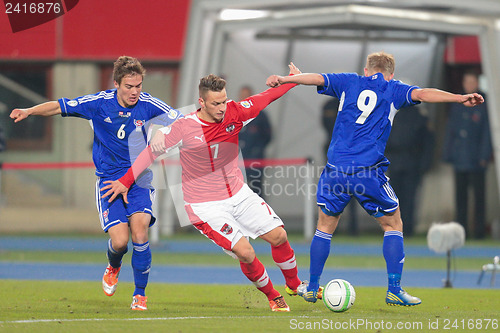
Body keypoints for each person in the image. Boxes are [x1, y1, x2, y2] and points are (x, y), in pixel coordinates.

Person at [266, 52, 484, 306]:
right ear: (391, 74)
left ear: (366, 70)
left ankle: (313, 287)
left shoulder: (349, 81)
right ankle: (394, 289)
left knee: (324, 227)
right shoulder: (393, 89)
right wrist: (459, 98)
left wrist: (287, 78)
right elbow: (423, 94)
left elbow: (317, 78)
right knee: (393, 224)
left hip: (335, 169)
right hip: (367, 171)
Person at [101, 64, 305, 312]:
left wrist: (295, 79)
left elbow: (267, 97)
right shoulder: (185, 127)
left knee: (279, 236)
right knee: (246, 252)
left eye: (224, 101)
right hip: (205, 206)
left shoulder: (235, 112)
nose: (222, 107)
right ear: (202, 102)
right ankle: (273, 296)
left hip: (239, 194)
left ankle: (295, 285)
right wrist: (125, 181)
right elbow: (149, 153)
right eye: (216, 103)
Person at [10, 56, 182, 310]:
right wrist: (29, 110)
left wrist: (165, 133)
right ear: (116, 84)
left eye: (138, 86)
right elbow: (59, 106)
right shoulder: (99, 103)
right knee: (121, 242)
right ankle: (113, 265)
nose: (135, 92)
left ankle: (140, 294)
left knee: (140, 232)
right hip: (109, 182)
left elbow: (181, 121)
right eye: (129, 86)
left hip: (138, 179)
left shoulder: (148, 104)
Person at [443, 71, 492, 239]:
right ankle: (460, 232)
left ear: (477, 83)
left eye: (472, 81)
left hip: (477, 159)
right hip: (460, 158)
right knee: (460, 198)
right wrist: (448, 154)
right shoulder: (457, 102)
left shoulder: (484, 103)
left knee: (479, 198)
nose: (469, 84)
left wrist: (484, 156)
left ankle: (479, 232)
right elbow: (450, 130)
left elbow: (487, 132)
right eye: (467, 81)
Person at [385, 104, 434, 236]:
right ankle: (395, 227)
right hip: (396, 160)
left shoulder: (419, 117)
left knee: (409, 197)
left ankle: (406, 228)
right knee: (395, 198)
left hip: (412, 161)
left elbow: (427, 143)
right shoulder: (394, 115)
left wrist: (424, 164)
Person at [238, 85, 272, 197]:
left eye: (246, 96)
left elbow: (268, 136)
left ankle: (261, 213)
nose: (244, 99)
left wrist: (257, 150)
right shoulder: (234, 115)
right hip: (237, 160)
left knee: (256, 188)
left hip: (254, 160)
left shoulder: (260, 116)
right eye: (242, 96)